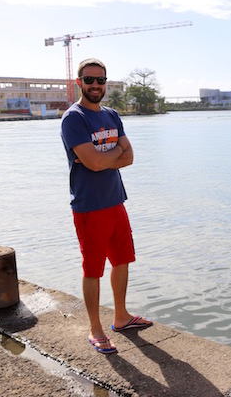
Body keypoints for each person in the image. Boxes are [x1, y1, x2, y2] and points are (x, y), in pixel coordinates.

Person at [61, 58, 152, 354]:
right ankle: (95, 329)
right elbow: (98, 162)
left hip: (116, 200)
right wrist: (109, 156)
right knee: (93, 270)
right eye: (89, 80)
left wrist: (101, 159)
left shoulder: (111, 115)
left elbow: (129, 157)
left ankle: (121, 317)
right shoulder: (73, 119)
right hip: (89, 206)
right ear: (79, 82)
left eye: (100, 80)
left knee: (122, 260)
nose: (95, 85)